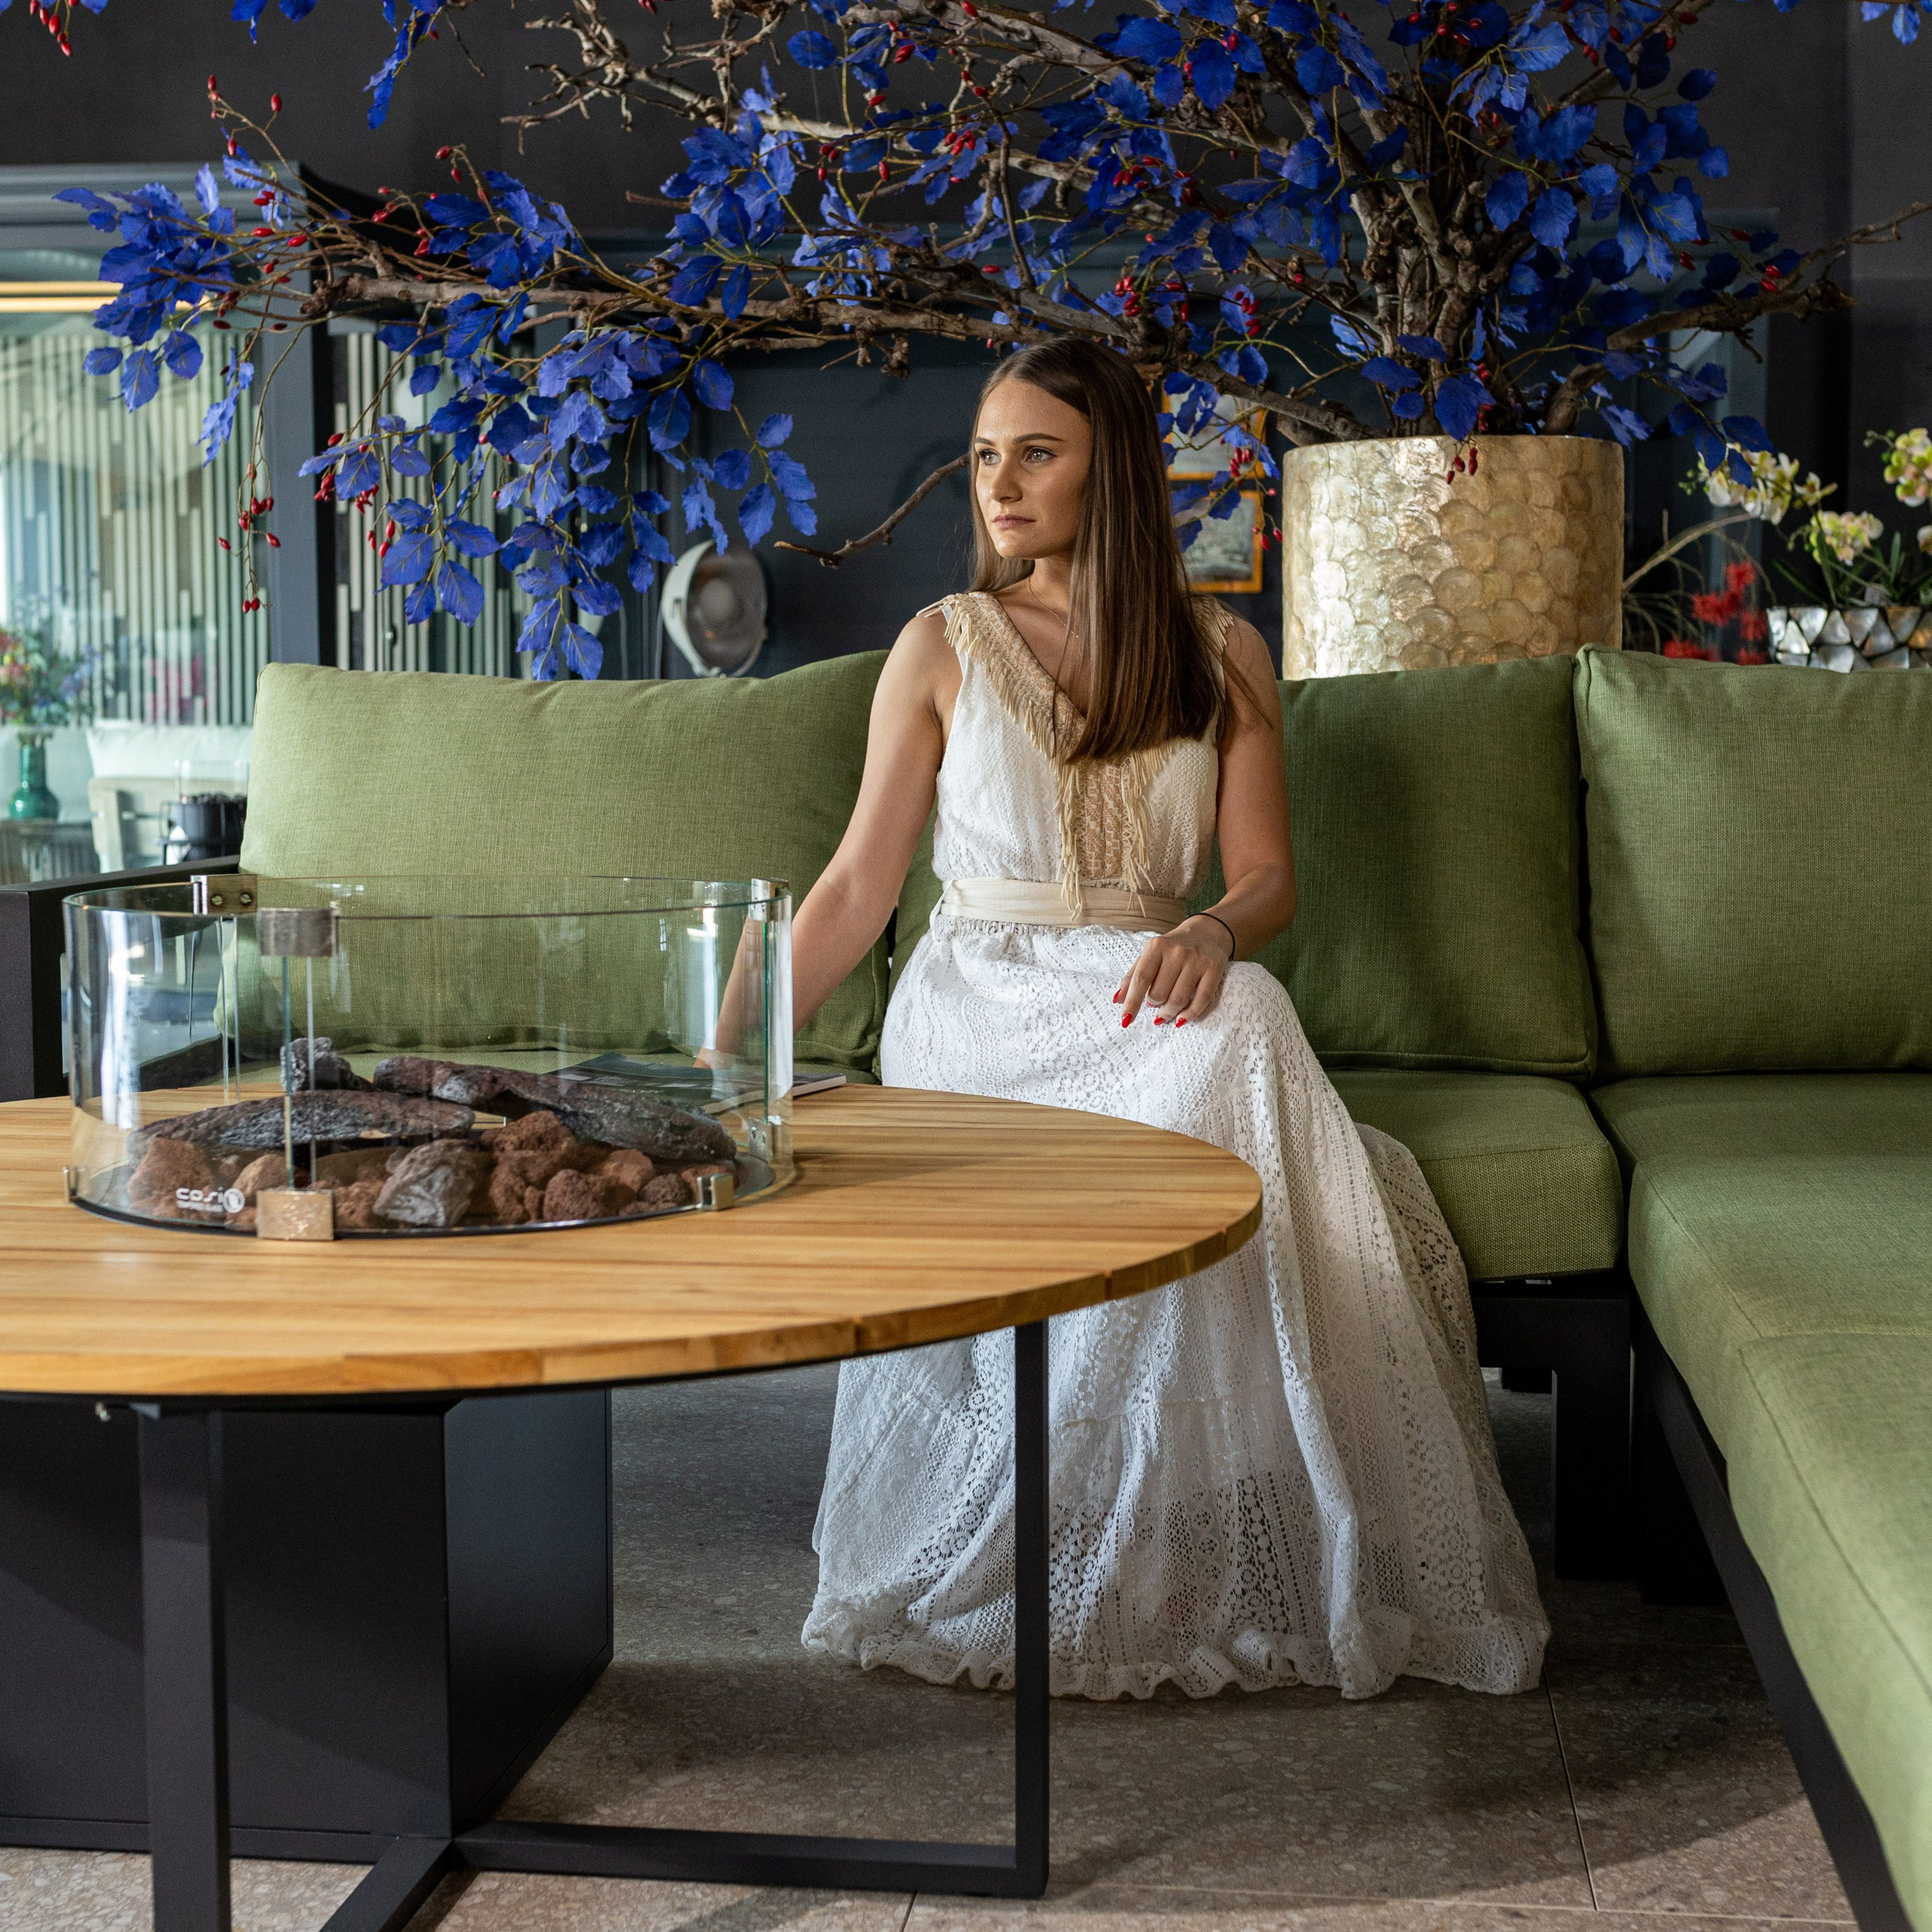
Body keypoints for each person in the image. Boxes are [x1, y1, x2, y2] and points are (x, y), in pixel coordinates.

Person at [782, 337, 1549, 1701]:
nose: (997, 485)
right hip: (983, 1000)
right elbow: (854, 888)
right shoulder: (943, 644)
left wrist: (1210, 928)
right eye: (985, 456)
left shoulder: (1224, 654)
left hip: (1150, 983)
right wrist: (727, 1056)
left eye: (1036, 454)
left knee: (1241, 1011)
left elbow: (1266, 880)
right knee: (1242, 1037)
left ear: (1114, 471)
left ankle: (1176, 1526)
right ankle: (1081, 1511)